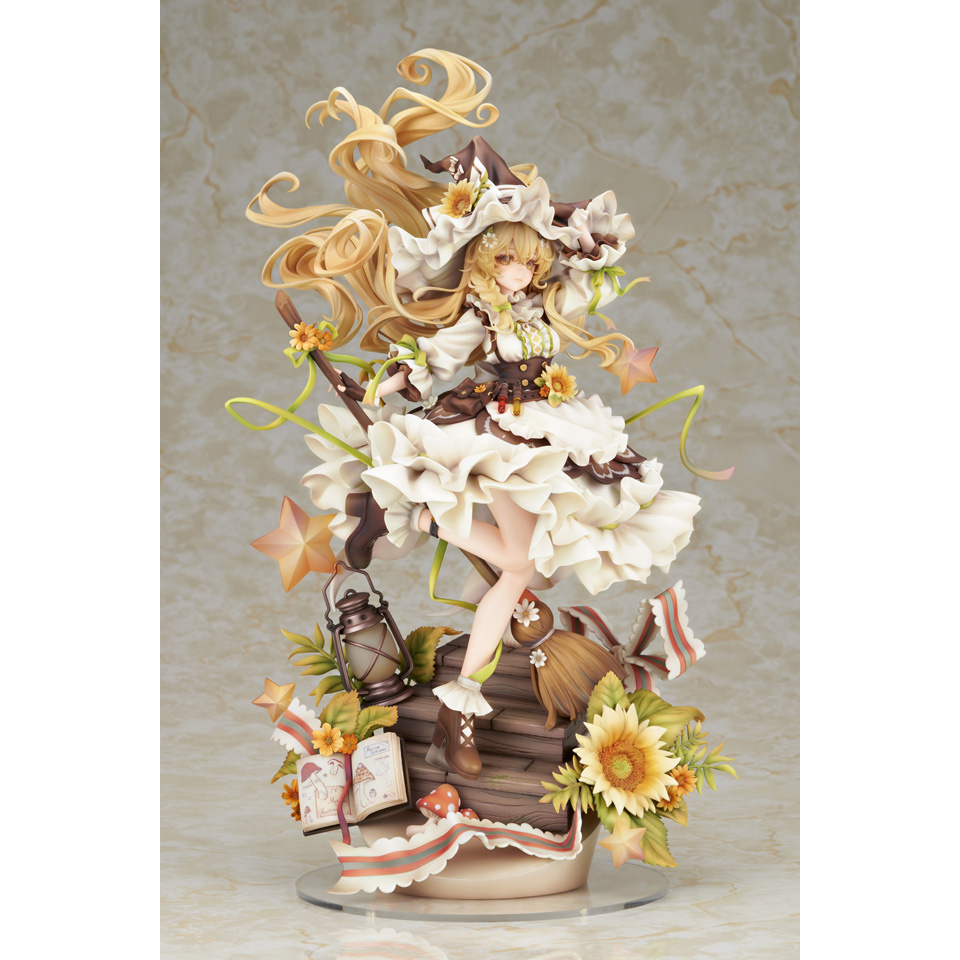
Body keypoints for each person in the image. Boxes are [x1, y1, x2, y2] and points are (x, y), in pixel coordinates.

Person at [248, 51, 700, 780]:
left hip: (550, 426)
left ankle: (436, 548)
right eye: (510, 262)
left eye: (532, 263)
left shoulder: (541, 307)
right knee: (519, 564)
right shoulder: (478, 319)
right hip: (502, 438)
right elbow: (432, 359)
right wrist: (384, 385)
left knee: (530, 564)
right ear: (486, 263)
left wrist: (579, 238)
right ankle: (458, 695)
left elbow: (595, 266)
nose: (524, 274)